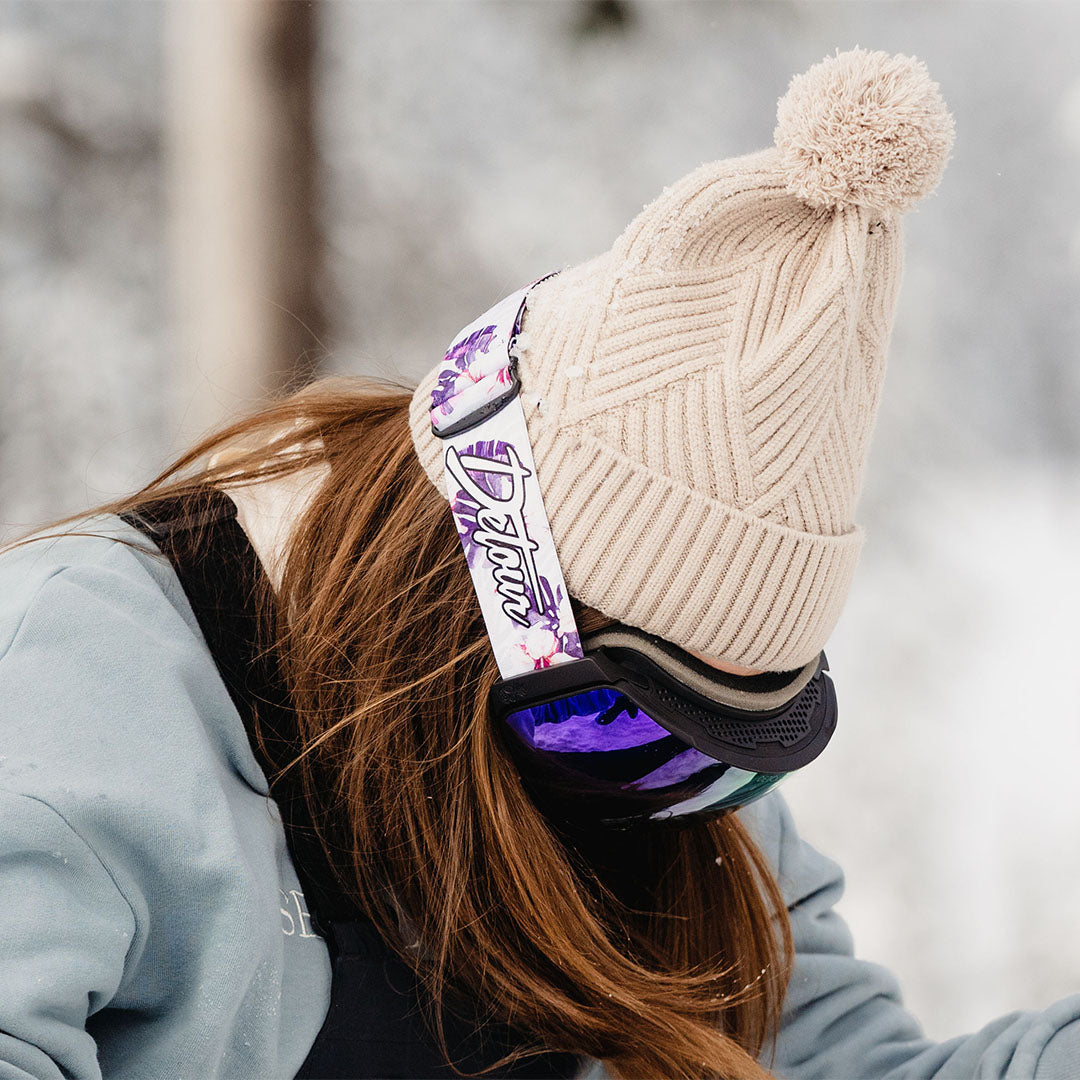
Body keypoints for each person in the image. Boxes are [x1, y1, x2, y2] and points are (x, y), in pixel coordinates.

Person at [1, 45, 1077, 1080]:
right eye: (620, 728)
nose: (678, 798)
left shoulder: (657, 772)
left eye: (735, 760)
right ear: (476, 599)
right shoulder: (82, 693)